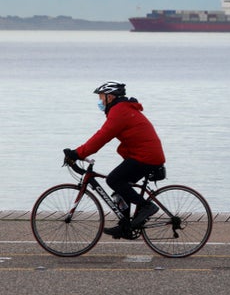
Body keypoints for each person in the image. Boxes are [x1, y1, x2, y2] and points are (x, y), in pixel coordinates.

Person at [63, 81, 166, 239]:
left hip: (146, 156)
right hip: (144, 155)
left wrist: (77, 153)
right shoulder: (121, 109)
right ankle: (126, 226)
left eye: (101, 98)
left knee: (113, 179)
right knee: (120, 187)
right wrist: (80, 153)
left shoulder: (119, 111)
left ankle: (146, 207)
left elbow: (101, 137)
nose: (100, 102)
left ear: (110, 97)